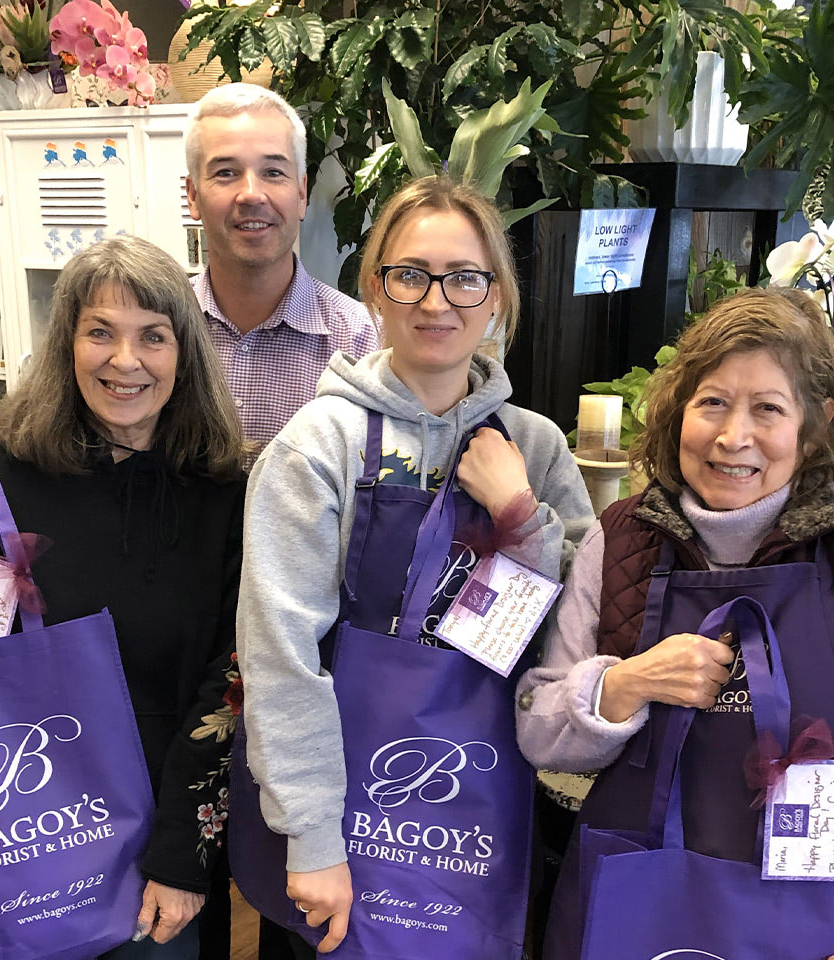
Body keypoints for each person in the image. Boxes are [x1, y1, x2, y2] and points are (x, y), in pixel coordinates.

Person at [516, 287, 834, 960]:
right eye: (711, 401)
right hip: (641, 914)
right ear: (676, 410)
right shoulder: (621, 541)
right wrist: (622, 685)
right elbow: (544, 732)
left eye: (767, 409)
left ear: (816, 425)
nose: (732, 437)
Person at [232, 175, 595, 958]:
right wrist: (313, 837)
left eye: (466, 278)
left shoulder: (537, 447)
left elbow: (575, 631)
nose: (438, 303)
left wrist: (519, 518)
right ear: (375, 290)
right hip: (346, 811)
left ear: (496, 295)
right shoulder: (317, 446)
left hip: (478, 807)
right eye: (411, 275)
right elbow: (279, 657)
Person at [0, 236, 246, 960]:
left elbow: (230, 685)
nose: (124, 361)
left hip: (165, 832)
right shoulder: (5, 483)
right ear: (66, 343)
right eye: (100, 331)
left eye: (152, 337)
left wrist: (180, 856)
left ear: (183, 354)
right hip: (32, 829)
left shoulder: (223, 492)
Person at [183, 83, 379, 463]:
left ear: (302, 193)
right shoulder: (159, 329)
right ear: (192, 195)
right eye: (226, 173)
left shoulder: (363, 343)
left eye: (273, 172)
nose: (251, 194)